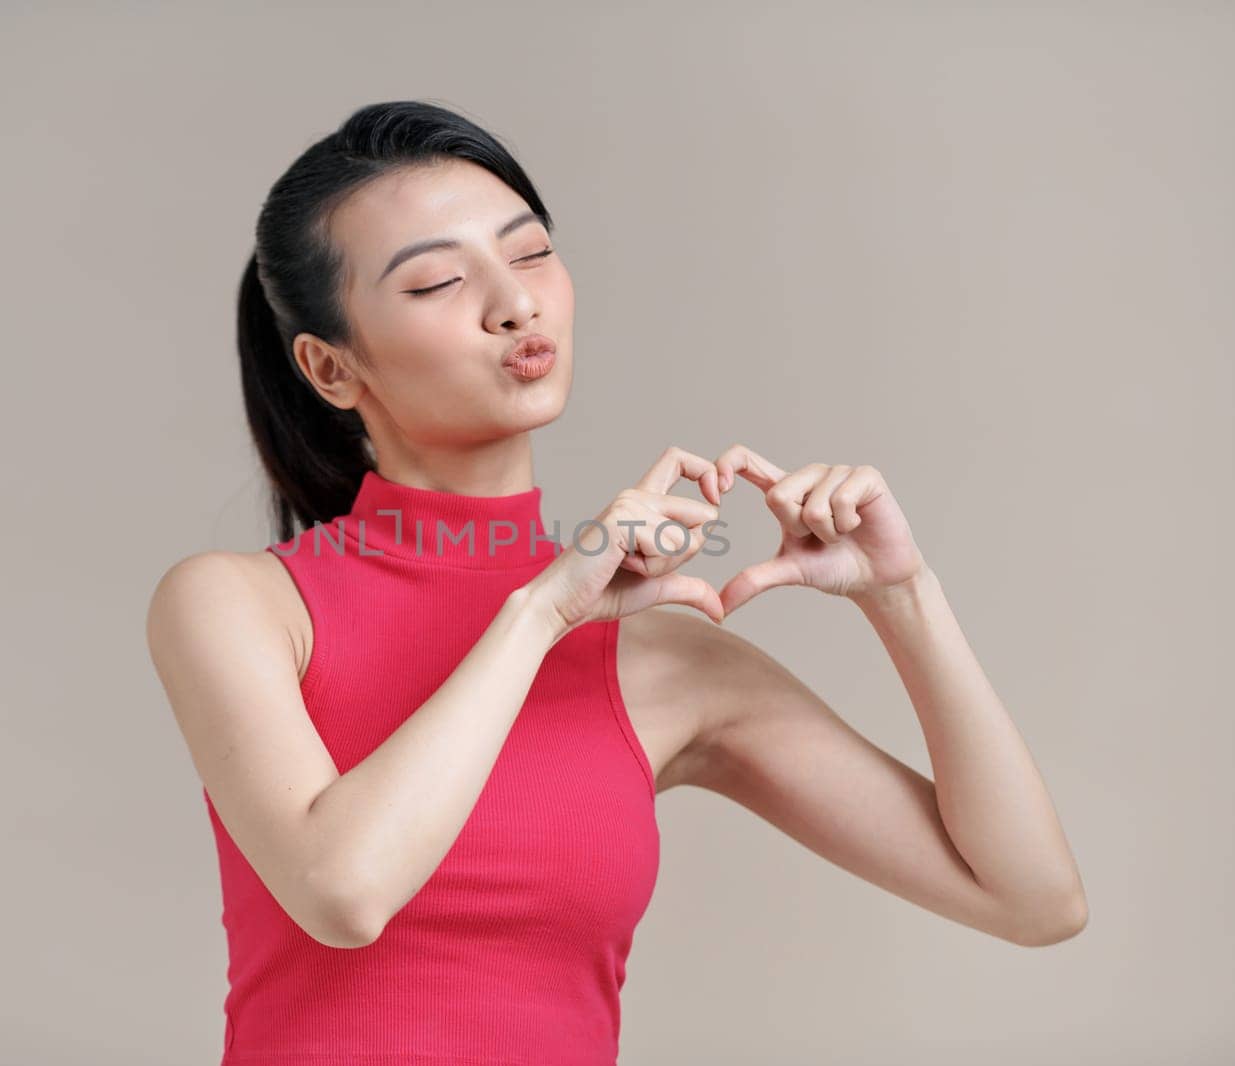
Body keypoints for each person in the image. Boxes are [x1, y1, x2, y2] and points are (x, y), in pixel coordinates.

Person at [146, 100, 1088, 1065]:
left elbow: (1033, 899)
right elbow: (344, 890)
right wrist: (541, 612)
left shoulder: (669, 655)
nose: (513, 303)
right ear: (330, 368)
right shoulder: (239, 604)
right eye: (435, 281)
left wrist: (903, 595)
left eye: (529, 253)